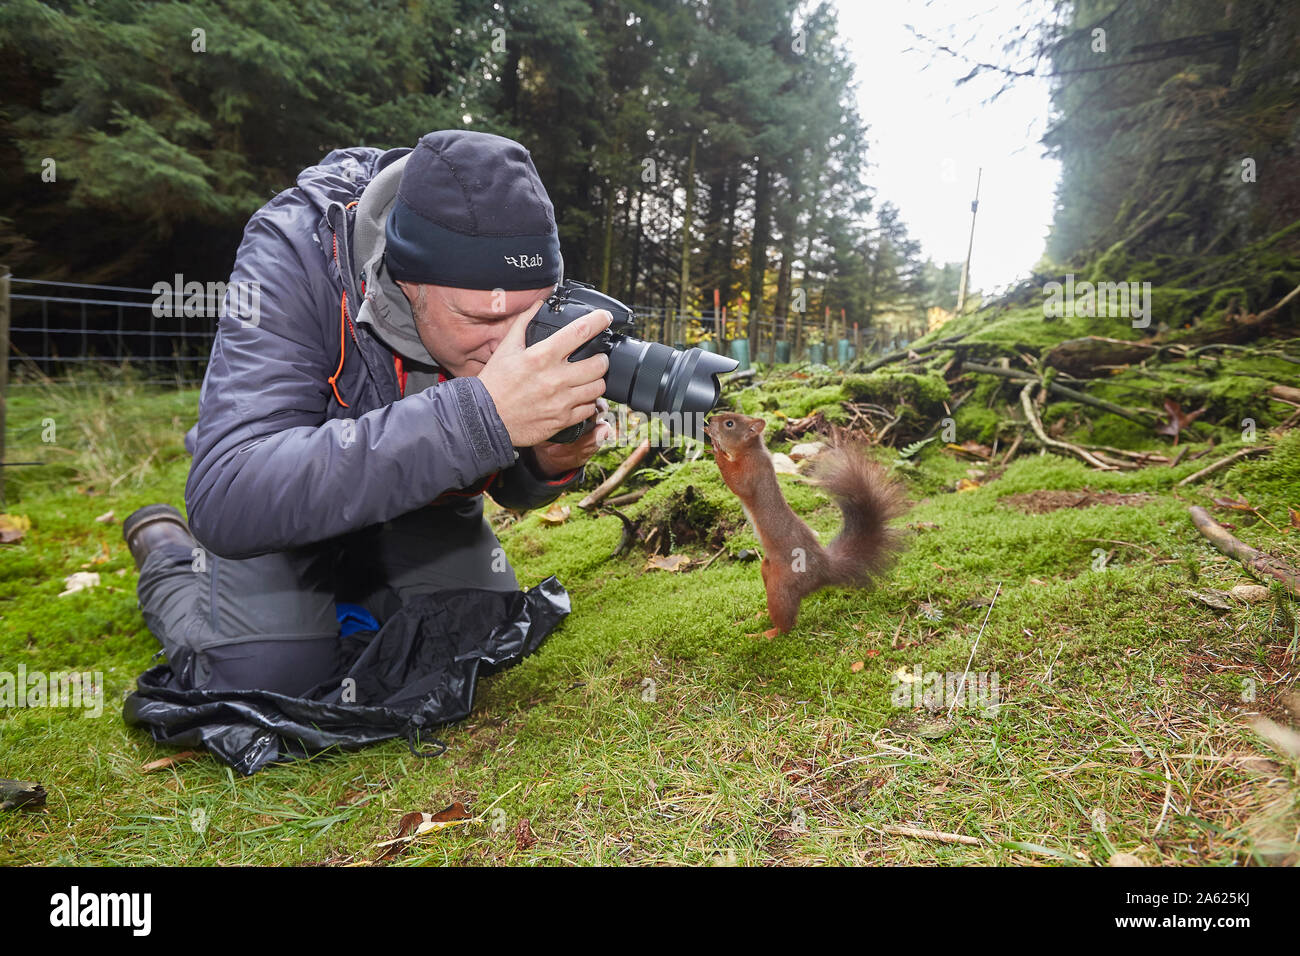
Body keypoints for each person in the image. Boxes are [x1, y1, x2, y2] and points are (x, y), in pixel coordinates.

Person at [123, 130, 613, 696]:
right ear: (407, 282)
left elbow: (511, 491)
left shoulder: (504, 288)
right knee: (267, 681)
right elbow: (230, 491)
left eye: (530, 317)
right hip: (276, 507)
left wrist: (544, 462)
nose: (509, 348)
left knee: (474, 636)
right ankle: (165, 552)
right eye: (481, 322)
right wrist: (482, 417)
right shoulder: (291, 254)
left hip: (418, 499)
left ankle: (352, 584)